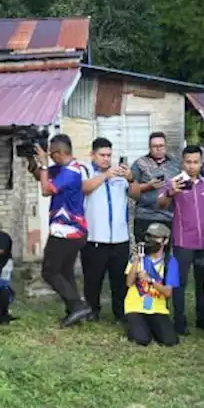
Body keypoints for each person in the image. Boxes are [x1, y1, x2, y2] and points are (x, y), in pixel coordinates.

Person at [31, 134, 93, 327]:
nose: (49, 156)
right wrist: (34, 162)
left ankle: (78, 305)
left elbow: (46, 190)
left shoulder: (70, 173)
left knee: (49, 271)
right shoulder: (65, 168)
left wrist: (42, 165)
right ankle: (74, 312)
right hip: (74, 231)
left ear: (59, 153)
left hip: (66, 231)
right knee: (64, 272)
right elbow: (41, 175)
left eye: (51, 153)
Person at [157, 145, 204, 335]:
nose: (192, 166)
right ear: (182, 163)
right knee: (179, 283)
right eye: (188, 162)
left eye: (195, 162)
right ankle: (179, 321)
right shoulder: (174, 183)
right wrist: (170, 192)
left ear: (201, 163)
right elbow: (161, 203)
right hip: (183, 242)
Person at [80, 138, 133, 323]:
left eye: (109, 155)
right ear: (92, 155)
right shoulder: (85, 171)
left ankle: (120, 313)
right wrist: (105, 176)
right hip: (95, 238)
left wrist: (131, 178)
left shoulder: (120, 175)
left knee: (119, 280)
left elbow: (136, 194)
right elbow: (83, 188)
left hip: (119, 238)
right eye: (102, 155)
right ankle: (92, 311)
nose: (106, 159)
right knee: (93, 280)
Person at [123, 222, 181, 347]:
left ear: (165, 241)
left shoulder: (170, 262)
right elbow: (128, 283)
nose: (152, 240)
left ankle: (150, 327)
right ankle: (136, 327)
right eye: (150, 237)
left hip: (157, 307)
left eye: (156, 237)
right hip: (135, 306)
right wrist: (136, 260)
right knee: (142, 339)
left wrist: (151, 281)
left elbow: (168, 292)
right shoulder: (139, 257)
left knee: (170, 341)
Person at [131, 131, 180, 242]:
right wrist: (147, 186)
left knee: (165, 254)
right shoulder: (139, 163)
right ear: (149, 147)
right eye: (154, 146)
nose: (158, 149)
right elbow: (131, 190)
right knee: (143, 252)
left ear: (166, 146)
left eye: (161, 146)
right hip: (144, 215)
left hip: (167, 216)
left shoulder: (175, 164)